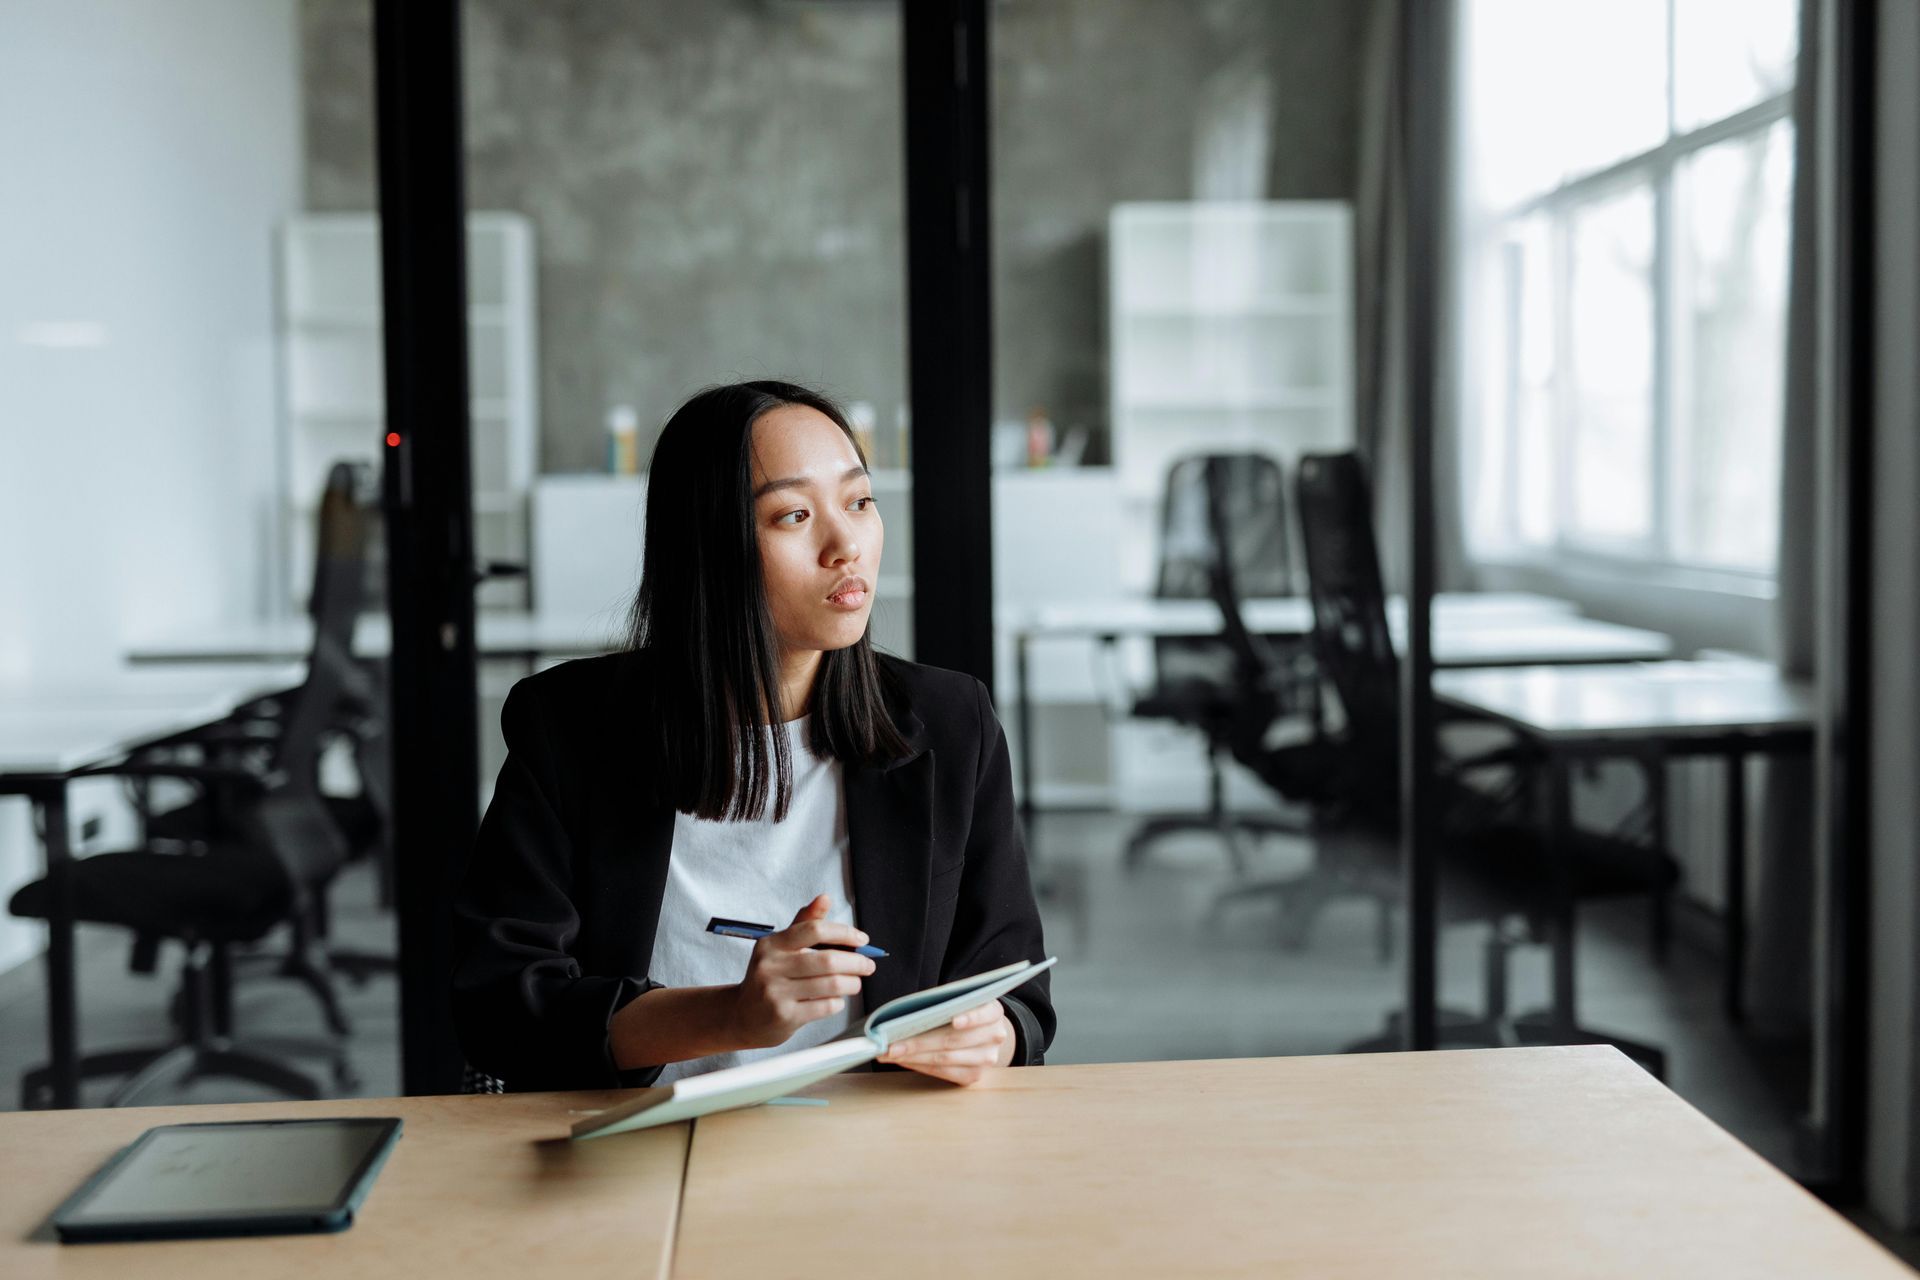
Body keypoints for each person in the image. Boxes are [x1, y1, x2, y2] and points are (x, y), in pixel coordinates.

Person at [451, 380, 1055, 1092]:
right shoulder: (570, 727)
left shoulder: (951, 724)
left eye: (859, 502)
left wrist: (996, 1031)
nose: (845, 546)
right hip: (635, 1155)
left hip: (881, 1149)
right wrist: (730, 1016)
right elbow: (501, 1009)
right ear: (707, 547)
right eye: (794, 515)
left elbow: (1018, 988)